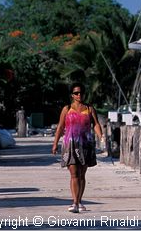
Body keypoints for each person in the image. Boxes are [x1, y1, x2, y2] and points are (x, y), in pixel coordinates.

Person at [52, 82, 103, 213]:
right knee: (74, 174)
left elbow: (96, 124)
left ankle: (79, 201)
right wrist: (55, 143)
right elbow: (60, 127)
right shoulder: (67, 109)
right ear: (72, 95)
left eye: (81, 92)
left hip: (85, 145)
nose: (79, 95)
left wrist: (101, 136)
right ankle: (75, 202)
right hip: (70, 145)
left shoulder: (90, 109)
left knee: (82, 175)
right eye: (76, 93)